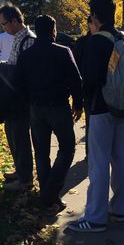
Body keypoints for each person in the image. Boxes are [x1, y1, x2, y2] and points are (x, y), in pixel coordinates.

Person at [68, 0, 124, 233]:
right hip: (122, 107)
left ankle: (95, 217)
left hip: (101, 108)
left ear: (94, 15)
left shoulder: (96, 42)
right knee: (120, 158)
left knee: (98, 162)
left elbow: (91, 79)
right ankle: (121, 208)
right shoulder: (121, 38)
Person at [15, 15, 83, 211]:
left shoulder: (26, 55)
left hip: (36, 109)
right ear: (53, 30)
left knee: (42, 153)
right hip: (59, 107)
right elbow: (76, 80)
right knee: (67, 148)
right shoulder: (63, 52)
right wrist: (78, 104)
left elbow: (19, 84)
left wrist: (29, 103)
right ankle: (50, 192)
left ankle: (47, 193)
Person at [0, 3, 36, 191]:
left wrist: (2, 68)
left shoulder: (28, 40)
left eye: (4, 24)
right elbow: (13, 63)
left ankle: (26, 178)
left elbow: (24, 71)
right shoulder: (17, 38)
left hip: (23, 99)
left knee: (20, 136)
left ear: (14, 20)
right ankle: (20, 170)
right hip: (14, 97)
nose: (3, 28)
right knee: (10, 130)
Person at [72, 15, 98, 159]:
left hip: (103, 90)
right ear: (89, 25)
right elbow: (75, 68)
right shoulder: (82, 42)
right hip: (87, 89)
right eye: (94, 23)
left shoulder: (104, 41)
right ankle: (90, 153)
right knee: (91, 123)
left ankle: (94, 153)